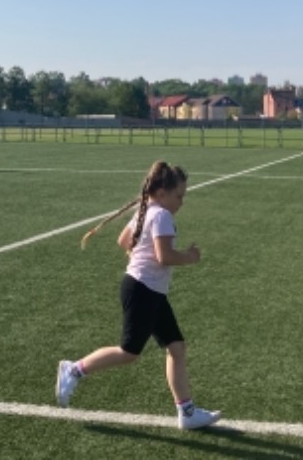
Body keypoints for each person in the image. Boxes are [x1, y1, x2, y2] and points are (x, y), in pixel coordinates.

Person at [55, 161, 221, 431]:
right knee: (129, 352)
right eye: (179, 196)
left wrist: (139, 258)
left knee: (176, 347)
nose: (181, 202)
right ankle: (73, 370)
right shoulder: (161, 215)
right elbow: (164, 256)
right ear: (162, 193)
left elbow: (123, 241)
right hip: (143, 290)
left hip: (149, 289)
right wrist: (190, 257)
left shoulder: (147, 211)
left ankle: (187, 412)